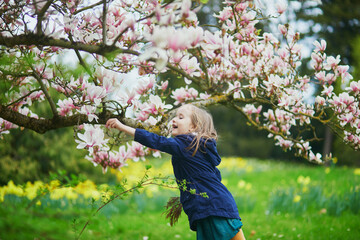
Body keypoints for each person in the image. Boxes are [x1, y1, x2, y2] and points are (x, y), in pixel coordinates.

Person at [106, 104, 246, 240]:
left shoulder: (185, 145)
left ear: (193, 127)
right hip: (219, 204)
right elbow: (215, 176)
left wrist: (123, 127)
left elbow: (156, 141)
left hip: (211, 208)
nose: (174, 119)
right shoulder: (200, 147)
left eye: (180, 117)